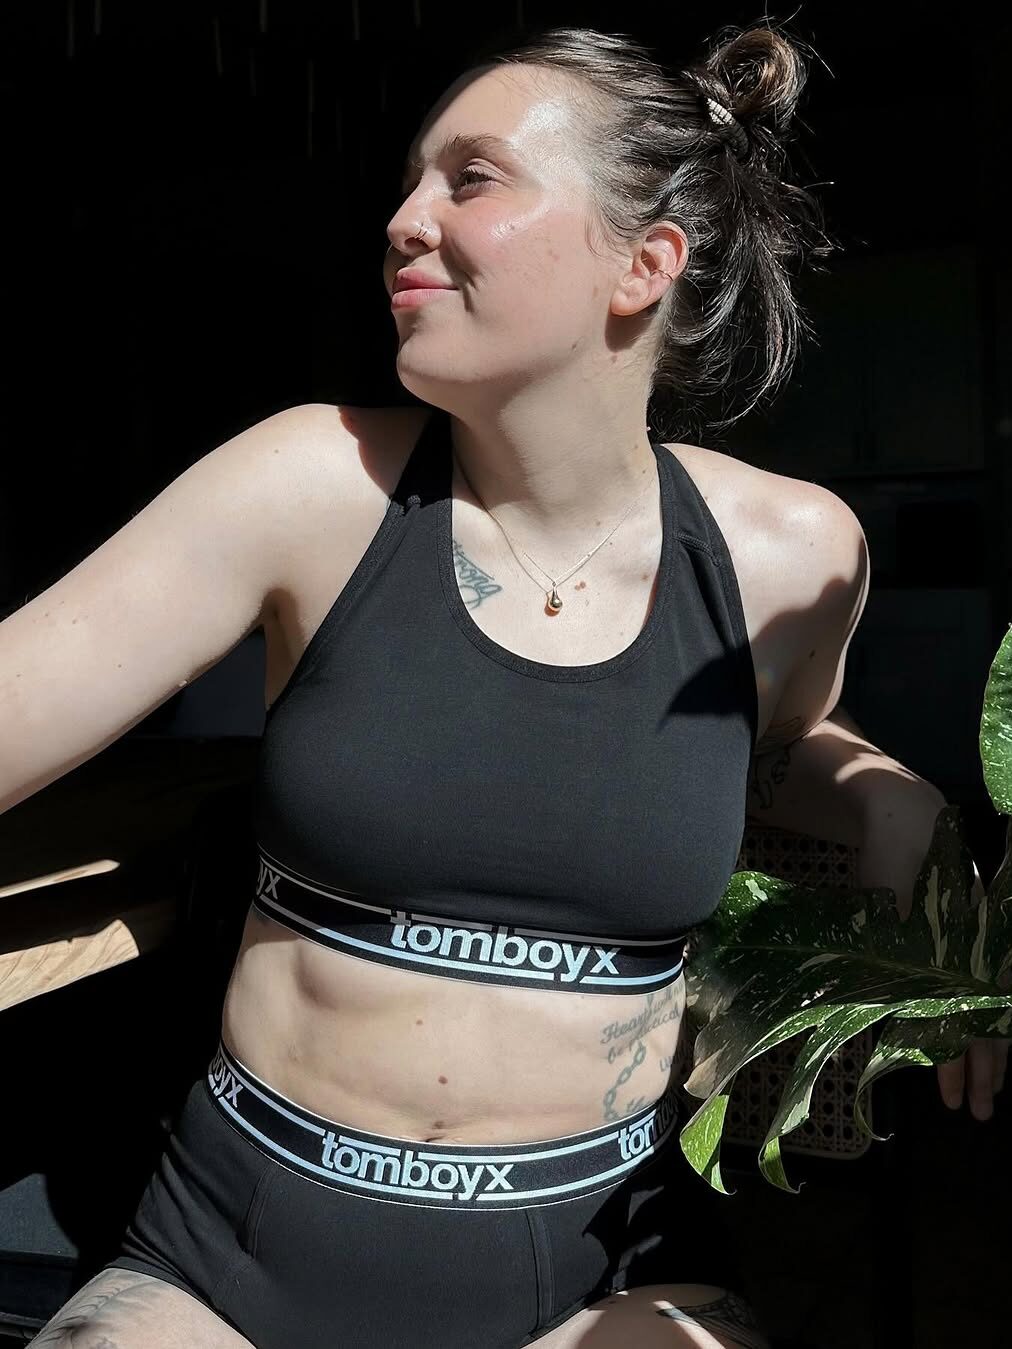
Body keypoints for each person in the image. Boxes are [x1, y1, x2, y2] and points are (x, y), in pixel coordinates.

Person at [1, 21, 982, 1349]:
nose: (404, 218)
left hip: (599, 1271)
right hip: (227, 1258)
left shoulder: (786, 559)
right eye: (411, 180)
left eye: (472, 179)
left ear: (642, 267)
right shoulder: (310, 487)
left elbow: (782, 730)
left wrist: (884, 794)